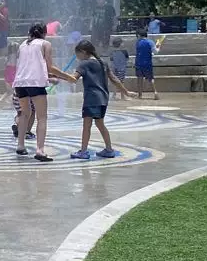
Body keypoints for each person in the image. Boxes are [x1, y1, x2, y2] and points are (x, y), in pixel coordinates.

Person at [66, 40, 135, 160]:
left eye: (77, 54)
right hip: (103, 98)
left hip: (91, 99)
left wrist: (59, 75)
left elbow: (73, 79)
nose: (77, 57)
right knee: (100, 123)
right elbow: (114, 79)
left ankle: (83, 151)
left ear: (83, 52)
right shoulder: (103, 62)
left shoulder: (84, 64)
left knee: (87, 125)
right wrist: (126, 92)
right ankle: (109, 149)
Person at [14, 24, 68, 162]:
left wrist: (49, 76)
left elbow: (25, 66)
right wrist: (66, 77)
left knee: (24, 113)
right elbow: (50, 66)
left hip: (20, 83)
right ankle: (40, 150)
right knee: (42, 117)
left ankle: (20, 145)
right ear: (44, 33)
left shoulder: (22, 45)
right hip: (35, 84)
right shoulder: (45, 44)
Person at [134, 29, 159, 100]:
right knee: (151, 79)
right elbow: (155, 52)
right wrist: (158, 46)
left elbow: (140, 53)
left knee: (139, 79)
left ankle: (140, 95)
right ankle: (155, 93)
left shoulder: (138, 43)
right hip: (147, 63)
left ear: (139, 35)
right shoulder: (150, 42)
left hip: (138, 63)